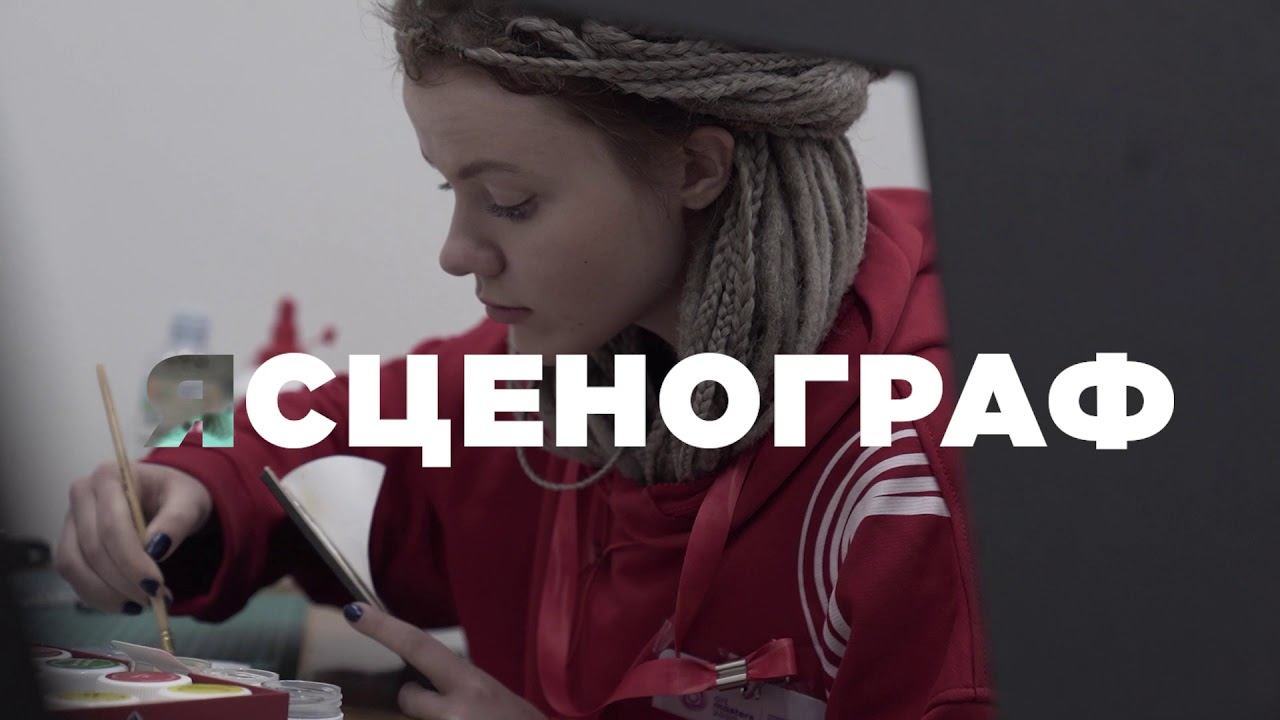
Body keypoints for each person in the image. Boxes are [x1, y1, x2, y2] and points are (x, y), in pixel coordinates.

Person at [53, 1, 994, 717]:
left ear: (696, 170)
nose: (458, 251)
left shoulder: (921, 478)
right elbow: (326, 427)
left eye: (509, 202)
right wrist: (196, 482)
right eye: (450, 191)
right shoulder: (568, 369)